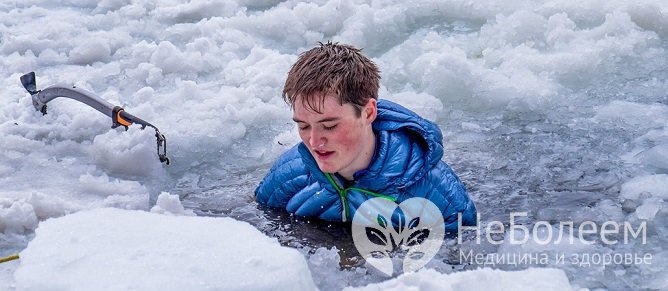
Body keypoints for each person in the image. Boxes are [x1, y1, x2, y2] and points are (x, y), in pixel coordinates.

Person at [255, 42, 476, 231]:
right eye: (303, 126)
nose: (314, 142)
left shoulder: (436, 194)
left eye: (329, 126)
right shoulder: (288, 176)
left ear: (369, 112)